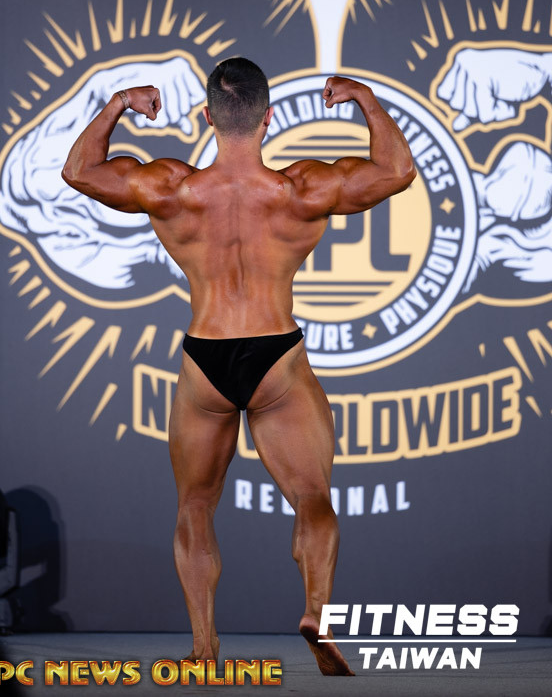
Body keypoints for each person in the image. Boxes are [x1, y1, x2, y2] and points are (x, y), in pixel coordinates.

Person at [62, 58, 416, 676]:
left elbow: (80, 171)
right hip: (275, 356)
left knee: (195, 505)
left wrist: (118, 104)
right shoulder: (301, 190)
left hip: (206, 359)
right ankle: (316, 615)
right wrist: (363, 97)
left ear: (206, 116)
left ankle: (204, 648)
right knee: (312, 495)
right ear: (268, 118)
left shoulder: (172, 188)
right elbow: (397, 171)